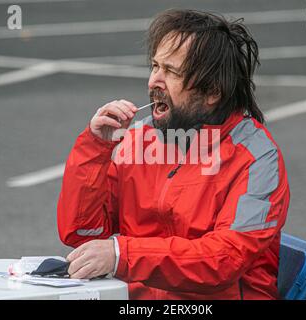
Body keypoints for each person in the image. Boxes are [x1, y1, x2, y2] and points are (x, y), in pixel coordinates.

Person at [57, 9, 290, 300]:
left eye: (172, 72)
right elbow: (82, 233)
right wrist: (96, 148)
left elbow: (223, 260)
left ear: (212, 92)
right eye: (155, 66)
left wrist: (122, 254)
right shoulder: (138, 140)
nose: (154, 80)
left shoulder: (256, 159)